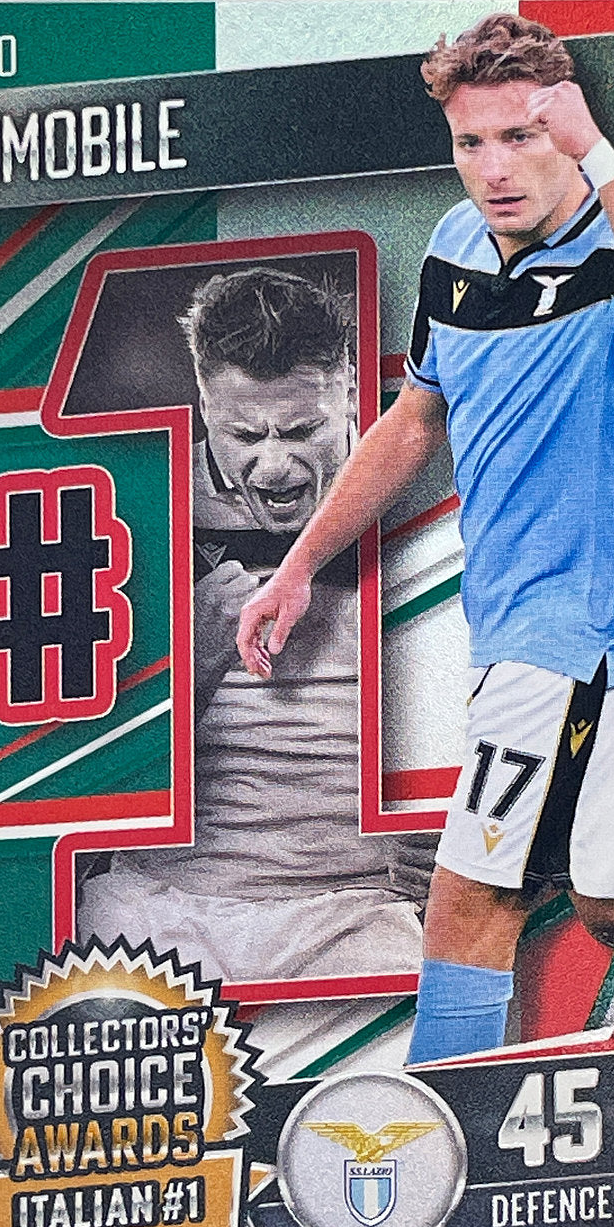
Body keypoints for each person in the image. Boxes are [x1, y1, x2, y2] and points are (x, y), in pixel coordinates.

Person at [237, 14, 614, 1062]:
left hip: (579, 636)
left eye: (522, 136)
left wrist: (600, 154)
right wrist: (299, 565)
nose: (495, 167)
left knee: (470, 904)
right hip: (515, 628)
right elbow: (414, 421)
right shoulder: (455, 247)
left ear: (565, 133)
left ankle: (433, 1138)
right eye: (472, 142)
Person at [80, 266, 430, 983]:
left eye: (301, 430)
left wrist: (474, 837)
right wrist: (185, 661)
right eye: (244, 433)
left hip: (354, 910)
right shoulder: (133, 509)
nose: (272, 465)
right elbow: (55, 769)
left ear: (351, 392)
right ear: (203, 401)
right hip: (157, 905)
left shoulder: (427, 504)